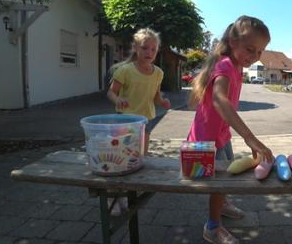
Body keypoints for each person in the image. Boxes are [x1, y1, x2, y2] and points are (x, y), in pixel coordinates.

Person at [187, 15, 274, 244]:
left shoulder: (236, 66)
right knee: (219, 182)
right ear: (233, 42)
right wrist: (250, 138)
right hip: (206, 140)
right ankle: (213, 227)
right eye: (250, 49)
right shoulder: (225, 65)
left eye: (260, 52)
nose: (254, 56)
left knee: (227, 175)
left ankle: (222, 204)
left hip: (221, 135)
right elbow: (219, 101)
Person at [107, 27, 171, 155]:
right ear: (136, 48)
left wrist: (162, 102)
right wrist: (117, 99)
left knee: (142, 152)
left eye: (154, 49)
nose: (149, 52)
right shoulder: (125, 70)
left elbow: (156, 96)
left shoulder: (159, 73)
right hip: (126, 118)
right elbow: (111, 92)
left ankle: (140, 171)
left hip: (147, 118)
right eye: (144, 48)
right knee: (124, 150)